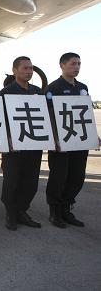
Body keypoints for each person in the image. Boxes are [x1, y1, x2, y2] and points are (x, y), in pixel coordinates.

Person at [45, 52, 99, 228]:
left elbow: (86, 114)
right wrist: (54, 138)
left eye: (79, 64)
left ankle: (66, 208)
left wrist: (93, 134)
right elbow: (49, 116)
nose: (76, 67)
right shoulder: (53, 88)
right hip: (61, 143)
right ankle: (55, 212)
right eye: (73, 64)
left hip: (79, 141)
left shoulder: (82, 87)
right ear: (62, 65)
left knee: (77, 177)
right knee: (58, 177)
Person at [0, 56, 43, 231]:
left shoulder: (38, 92)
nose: (29, 71)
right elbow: (0, 120)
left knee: (31, 183)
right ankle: (11, 213)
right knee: (11, 181)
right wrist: (7, 137)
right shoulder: (5, 93)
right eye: (25, 68)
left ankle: (22, 211)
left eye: (31, 68)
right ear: (15, 70)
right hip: (13, 148)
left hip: (33, 146)